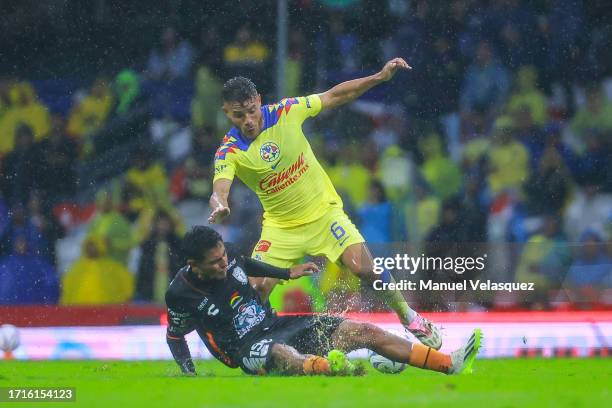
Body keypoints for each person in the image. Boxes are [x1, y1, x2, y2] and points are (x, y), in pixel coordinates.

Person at [209, 58, 443, 349]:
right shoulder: (229, 149)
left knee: (363, 267)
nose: (247, 121)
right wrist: (219, 202)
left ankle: (408, 317)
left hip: (324, 214)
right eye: (238, 115)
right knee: (256, 290)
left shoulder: (286, 111)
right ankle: (253, 347)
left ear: (259, 101)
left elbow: (335, 95)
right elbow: (220, 185)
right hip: (281, 229)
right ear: (226, 113)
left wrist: (379, 77)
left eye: (251, 111)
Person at [166, 226, 482, 376]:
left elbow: (248, 264)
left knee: (363, 332)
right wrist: (188, 373)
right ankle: (330, 369)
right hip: (244, 349)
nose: (224, 263)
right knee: (281, 354)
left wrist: (288, 273)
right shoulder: (180, 294)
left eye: (224, 256)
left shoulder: (229, 253)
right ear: (194, 265)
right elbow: (175, 335)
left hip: (274, 323)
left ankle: (448, 363)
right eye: (215, 262)